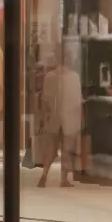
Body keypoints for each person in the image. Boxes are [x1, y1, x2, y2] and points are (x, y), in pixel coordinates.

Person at [34, 54, 83, 188]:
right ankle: (63, 179)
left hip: (53, 116)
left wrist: (43, 117)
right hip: (69, 117)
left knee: (50, 149)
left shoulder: (49, 76)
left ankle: (44, 174)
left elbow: (44, 99)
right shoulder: (74, 77)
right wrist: (81, 118)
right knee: (67, 149)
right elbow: (78, 101)